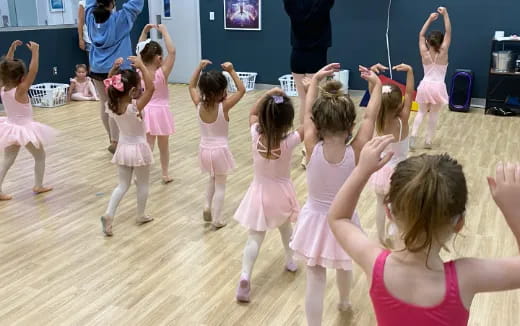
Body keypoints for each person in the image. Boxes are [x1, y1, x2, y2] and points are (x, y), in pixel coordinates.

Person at [329, 139, 520, 325]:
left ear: (389, 212)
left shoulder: (374, 262)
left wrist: (362, 170)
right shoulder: (466, 277)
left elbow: (338, 218)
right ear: (459, 223)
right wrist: (514, 210)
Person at [290, 64, 382, 325]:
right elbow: (370, 119)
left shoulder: (310, 143)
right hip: (345, 220)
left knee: (315, 276)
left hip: (315, 218)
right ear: (350, 124)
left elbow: (307, 113)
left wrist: (316, 80)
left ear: (318, 123)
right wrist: (375, 87)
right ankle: (344, 300)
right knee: (344, 263)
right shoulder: (356, 150)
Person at [233, 87, 304, 303]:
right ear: (287, 120)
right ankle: (290, 260)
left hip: (258, 193)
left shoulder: (255, 133)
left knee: (254, 237)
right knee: (286, 228)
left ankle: (245, 275)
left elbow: (252, 113)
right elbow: (307, 126)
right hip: (280, 194)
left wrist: (269, 94)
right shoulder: (289, 140)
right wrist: (309, 93)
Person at [100, 56, 155, 236]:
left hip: (123, 148)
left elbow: (109, 86)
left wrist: (113, 70)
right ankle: (140, 214)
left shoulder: (112, 105)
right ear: (132, 90)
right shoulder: (135, 107)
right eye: (139, 86)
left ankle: (109, 213)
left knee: (122, 185)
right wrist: (142, 66)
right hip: (139, 148)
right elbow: (152, 87)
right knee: (143, 184)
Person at [188, 60, 246, 228]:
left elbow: (191, 87)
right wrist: (232, 70)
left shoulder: (198, 104)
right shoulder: (224, 106)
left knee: (212, 178)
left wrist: (198, 67)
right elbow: (242, 90)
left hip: (204, 149)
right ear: (222, 91)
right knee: (221, 185)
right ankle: (217, 220)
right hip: (220, 150)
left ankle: (207, 205)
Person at [0, 40, 57, 201]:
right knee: (40, 156)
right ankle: (38, 185)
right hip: (25, 129)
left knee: (8, 160)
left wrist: (11, 50)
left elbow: (5, 67)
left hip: (10, 127)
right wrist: (35, 52)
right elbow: (33, 71)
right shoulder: (21, 90)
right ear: (22, 77)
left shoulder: (3, 87)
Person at [85, 0, 144, 153]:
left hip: (97, 67)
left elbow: (89, 3)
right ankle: (118, 141)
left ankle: (112, 138)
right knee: (119, 104)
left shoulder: (90, 17)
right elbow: (136, 3)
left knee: (105, 103)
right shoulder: (120, 19)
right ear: (112, 3)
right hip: (117, 67)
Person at [284, 0, 335, 168]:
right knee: (314, 104)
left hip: (296, 56)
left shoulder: (293, 6)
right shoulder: (321, 4)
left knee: (304, 101)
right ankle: (310, 150)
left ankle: (305, 149)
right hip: (317, 56)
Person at [369, 63, 414, 245]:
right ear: (399, 104)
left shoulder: (376, 118)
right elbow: (410, 93)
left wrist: (372, 75)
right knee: (398, 207)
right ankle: (397, 236)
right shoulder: (403, 119)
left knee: (380, 204)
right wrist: (410, 72)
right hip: (401, 172)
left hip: (382, 171)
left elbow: (373, 96)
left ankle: (381, 237)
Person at [137, 24, 176, 184]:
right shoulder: (162, 72)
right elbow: (172, 52)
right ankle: (165, 173)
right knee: (163, 146)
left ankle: (140, 174)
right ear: (159, 58)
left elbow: (139, 48)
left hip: (145, 110)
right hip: (161, 112)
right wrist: (164, 31)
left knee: (147, 145)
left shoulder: (139, 70)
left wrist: (144, 31)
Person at [410, 7, 451, 150]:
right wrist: (445, 14)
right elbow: (448, 32)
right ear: (441, 42)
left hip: (425, 85)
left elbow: (421, 35)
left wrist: (429, 19)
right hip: (438, 86)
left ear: (428, 42)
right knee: (433, 114)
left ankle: (413, 137)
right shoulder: (444, 52)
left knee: (421, 112)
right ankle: (427, 141)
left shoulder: (424, 52)